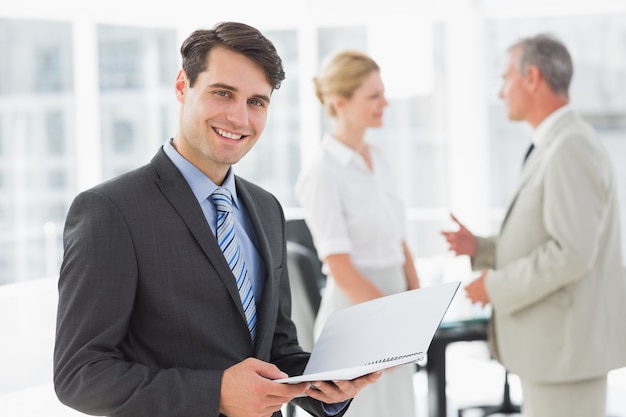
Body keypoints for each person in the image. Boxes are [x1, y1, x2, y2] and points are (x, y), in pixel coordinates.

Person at [53, 22, 380, 417]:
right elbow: (79, 375)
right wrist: (215, 393)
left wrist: (326, 382)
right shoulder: (111, 211)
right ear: (181, 86)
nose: (239, 118)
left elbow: (277, 348)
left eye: (257, 102)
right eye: (223, 93)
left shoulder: (266, 209)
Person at [442, 34, 626, 417]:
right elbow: (551, 235)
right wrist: (482, 248)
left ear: (533, 78)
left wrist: (494, 285)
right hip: (558, 353)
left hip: (566, 353)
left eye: (505, 78)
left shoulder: (570, 146)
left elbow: (571, 255)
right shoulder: (558, 143)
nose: (500, 91)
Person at [295, 50, 420, 417]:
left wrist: (416, 311)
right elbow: (340, 267)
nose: (385, 102)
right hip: (358, 317)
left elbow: (400, 242)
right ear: (340, 102)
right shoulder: (322, 173)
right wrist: (393, 323)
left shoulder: (379, 159)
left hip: (393, 310)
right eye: (374, 95)